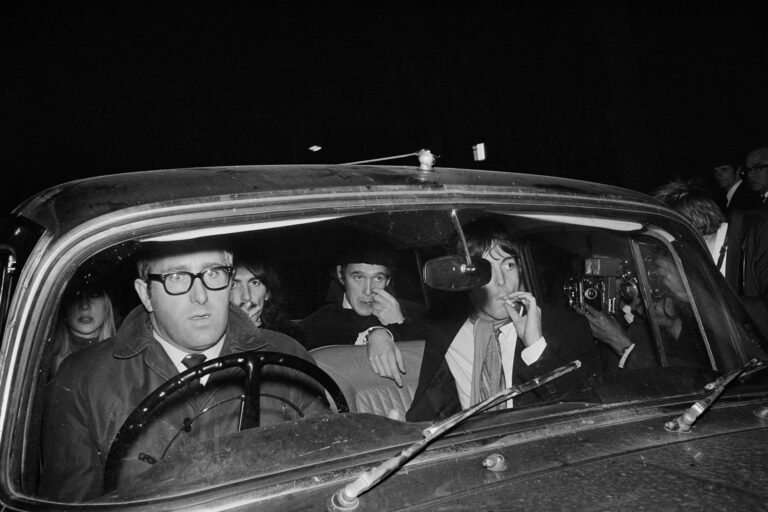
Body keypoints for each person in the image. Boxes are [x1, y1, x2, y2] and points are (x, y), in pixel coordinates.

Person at [39, 238, 329, 502]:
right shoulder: (84, 379)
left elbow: (327, 471)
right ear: (146, 294)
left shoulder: (286, 358)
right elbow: (72, 502)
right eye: (176, 277)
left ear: (229, 281)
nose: (200, 296)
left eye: (213, 273)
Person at [380, 219, 601, 422]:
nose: (502, 281)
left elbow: (587, 412)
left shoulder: (567, 327)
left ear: (520, 268)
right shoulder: (446, 324)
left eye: (508, 265)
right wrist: (377, 334)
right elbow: (399, 330)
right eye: (485, 269)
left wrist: (535, 348)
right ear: (465, 280)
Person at [651, 179, 768, 339]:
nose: (664, 254)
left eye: (665, 245)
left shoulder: (761, 235)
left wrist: (695, 294)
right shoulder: (701, 265)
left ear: (688, 235)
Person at [296, 239, 427, 355]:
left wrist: (400, 324)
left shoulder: (417, 315)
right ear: (341, 275)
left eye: (378, 278)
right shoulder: (317, 325)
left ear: (388, 281)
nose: (368, 291)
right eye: (358, 277)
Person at [48, 275, 117, 377]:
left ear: (107, 305)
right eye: (74, 296)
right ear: (63, 308)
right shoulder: (43, 361)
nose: (84, 306)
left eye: (93, 295)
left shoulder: (126, 355)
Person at [230, 254, 302, 339]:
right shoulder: (216, 337)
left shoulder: (287, 339)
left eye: (255, 283)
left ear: (267, 293)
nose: (246, 297)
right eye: (233, 285)